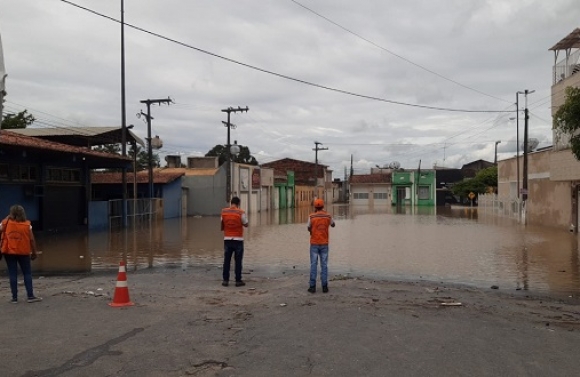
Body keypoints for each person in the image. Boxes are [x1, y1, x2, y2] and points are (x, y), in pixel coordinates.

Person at [0, 205, 42, 303]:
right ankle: (30, 296)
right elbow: (31, 239)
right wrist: (34, 252)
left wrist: (7, 218)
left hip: (9, 251)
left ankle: (14, 298)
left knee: (12, 273)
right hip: (23, 252)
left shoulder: (5, 223)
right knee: (27, 273)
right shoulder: (27, 225)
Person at [307, 198, 335, 293]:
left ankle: (312, 287)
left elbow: (308, 227)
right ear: (323, 206)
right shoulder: (328, 215)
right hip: (324, 244)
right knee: (324, 265)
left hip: (314, 243)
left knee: (313, 265)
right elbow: (333, 224)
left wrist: (312, 231)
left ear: (315, 206)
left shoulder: (311, 216)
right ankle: (324, 287)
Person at [221, 197, 248, 287]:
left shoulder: (224, 212)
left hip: (227, 239)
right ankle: (238, 280)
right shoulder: (241, 212)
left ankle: (225, 280)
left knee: (227, 260)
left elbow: (222, 225)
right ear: (238, 203)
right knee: (238, 261)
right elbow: (246, 224)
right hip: (238, 240)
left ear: (231, 203)